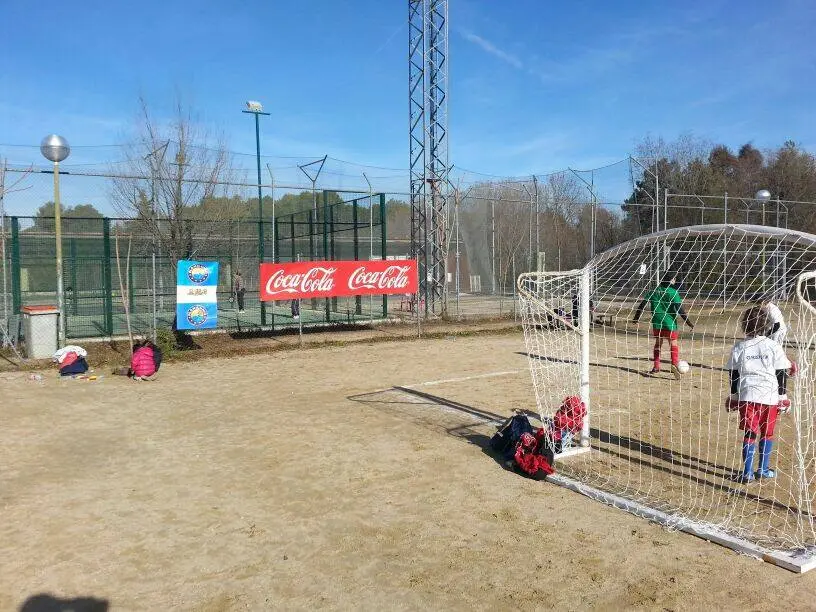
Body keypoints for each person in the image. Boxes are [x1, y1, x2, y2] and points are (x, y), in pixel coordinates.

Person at [725, 306, 795, 483]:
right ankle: (763, 469)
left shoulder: (739, 347)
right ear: (767, 325)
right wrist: (783, 398)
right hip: (769, 397)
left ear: (744, 325)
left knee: (749, 433)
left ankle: (747, 473)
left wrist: (733, 397)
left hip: (747, 396)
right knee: (767, 433)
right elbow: (781, 373)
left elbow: (734, 374)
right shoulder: (773, 346)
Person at [632, 272, 694, 379]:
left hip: (657, 322)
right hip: (670, 324)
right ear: (670, 280)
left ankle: (656, 366)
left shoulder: (654, 291)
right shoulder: (673, 292)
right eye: (674, 279)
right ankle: (674, 364)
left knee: (658, 344)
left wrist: (636, 318)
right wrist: (689, 322)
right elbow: (679, 309)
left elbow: (642, 305)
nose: (675, 281)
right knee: (673, 343)